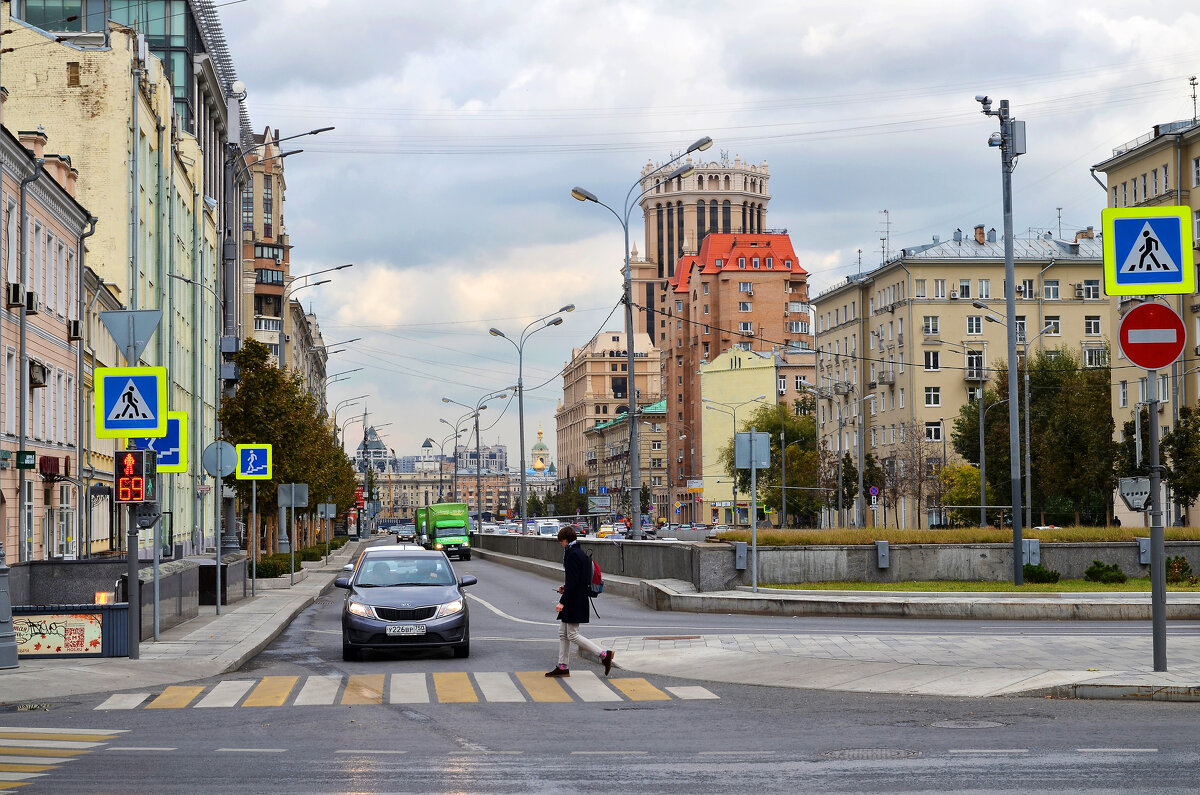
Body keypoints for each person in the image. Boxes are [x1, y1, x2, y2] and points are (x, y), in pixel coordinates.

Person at [546, 526, 614, 678]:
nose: (561, 544)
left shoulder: (572, 555)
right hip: (576, 596)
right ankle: (562, 666)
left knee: (572, 634)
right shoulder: (578, 552)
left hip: (574, 600)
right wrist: (566, 588)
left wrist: (562, 602)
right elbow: (576, 580)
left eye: (561, 541)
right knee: (563, 633)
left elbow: (574, 581)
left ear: (565, 540)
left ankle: (603, 655)